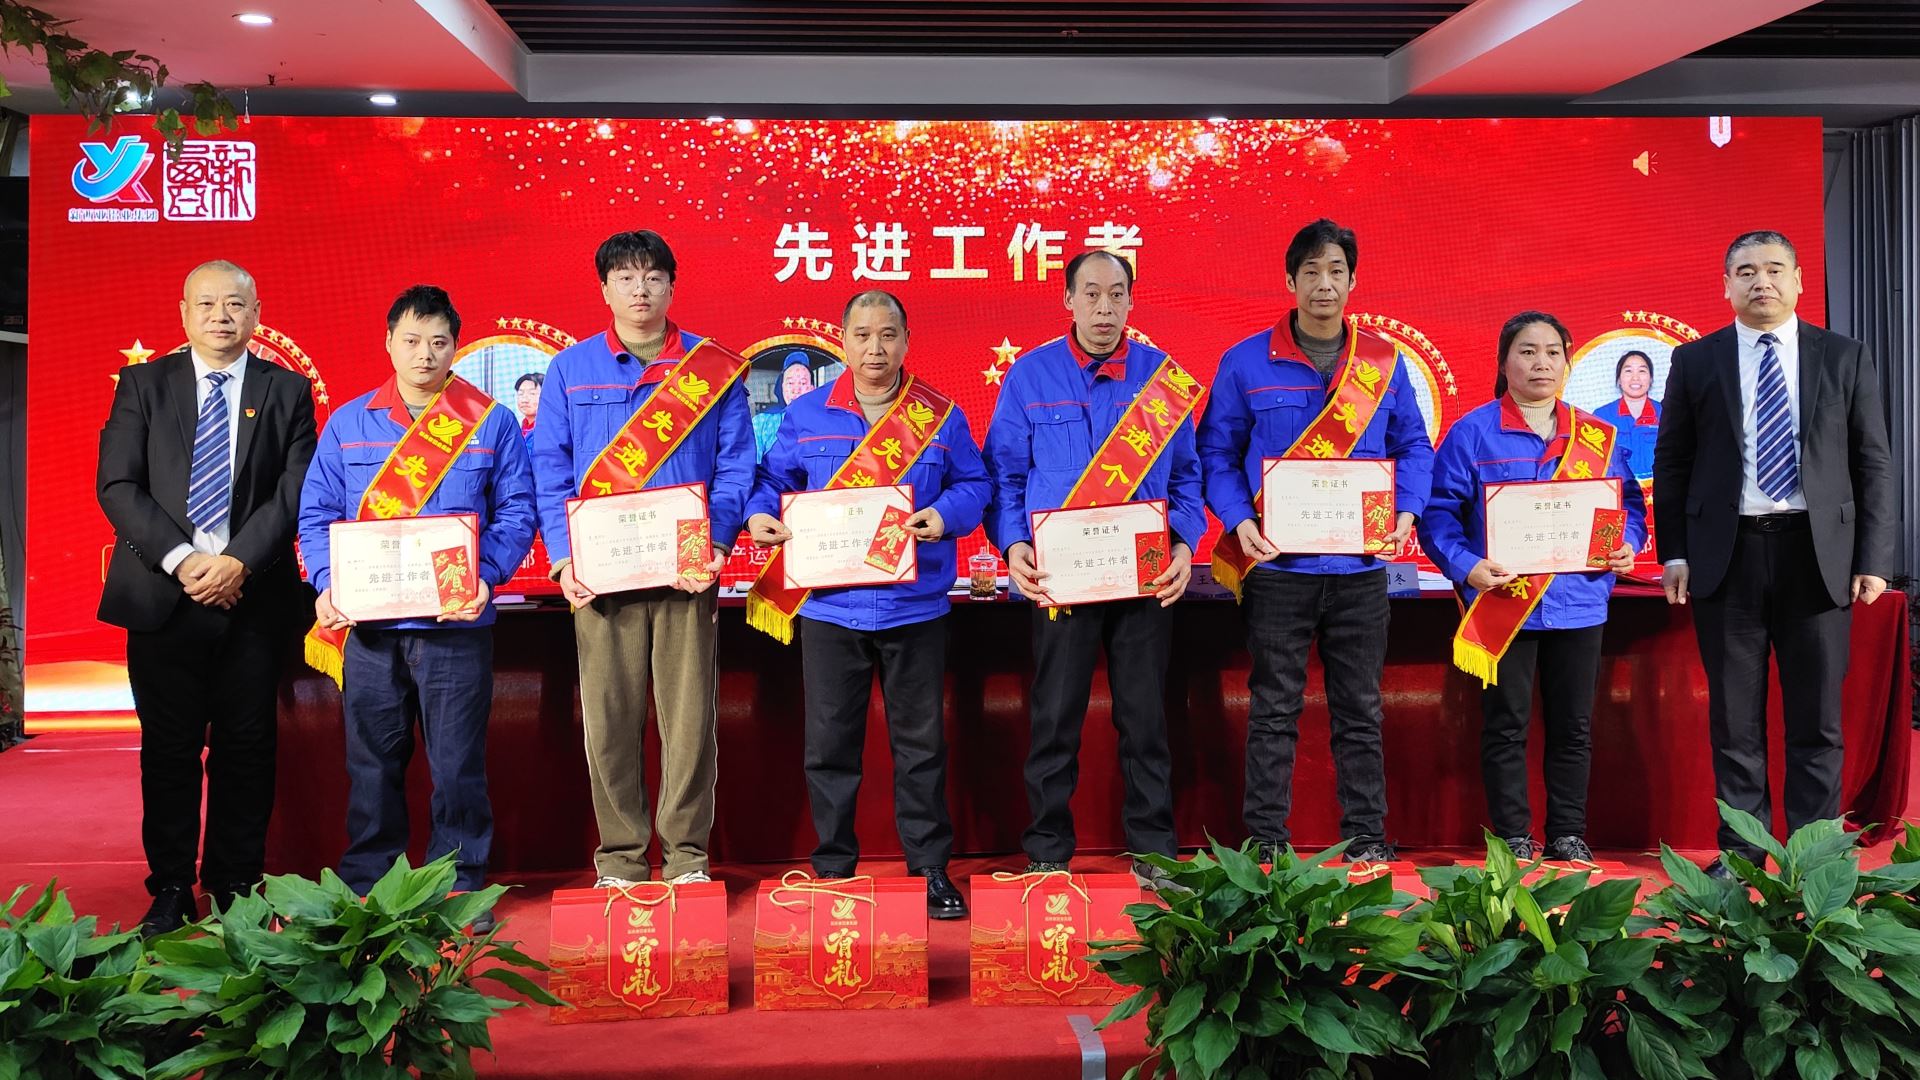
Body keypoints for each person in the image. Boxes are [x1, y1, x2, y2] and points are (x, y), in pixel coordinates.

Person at [744, 290, 991, 919]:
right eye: (862, 335)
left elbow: (975, 483)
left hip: (915, 607)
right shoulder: (806, 414)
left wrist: (947, 514)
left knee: (921, 747)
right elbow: (771, 480)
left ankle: (930, 868)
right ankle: (833, 869)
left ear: (906, 341)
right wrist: (758, 515)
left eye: (887, 335)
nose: (875, 348)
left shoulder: (939, 415)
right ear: (844, 342)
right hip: (831, 608)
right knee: (830, 746)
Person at [1654, 230, 1894, 875]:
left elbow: (1872, 460)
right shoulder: (1695, 360)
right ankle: (1742, 853)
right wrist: (1674, 552)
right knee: (1735, 720)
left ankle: (1813, 859)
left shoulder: (1843, 356)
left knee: (1817, 719)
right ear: (1725, 285)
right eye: (1746, 271)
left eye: (1774, 269)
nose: (1761, 281)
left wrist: (1872, 556)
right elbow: (1672, 462)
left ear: (1798, 281)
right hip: (1725, 555)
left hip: (1817, 556)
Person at [1197, 218, 1433, 866]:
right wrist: (1237, 519)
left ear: (1353, 280)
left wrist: (1408, 510)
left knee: (1361, 711)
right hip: (1279, 568)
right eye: (1311, 272)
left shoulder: (1383, 363)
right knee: (1273, 710)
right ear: (1290, 280)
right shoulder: (1246, 361)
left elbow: (1415, 446)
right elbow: (1216, 453)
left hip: (1360, 570)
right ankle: (1266, 848)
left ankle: (1367, 843)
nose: (1324, 284)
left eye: (1335, 271)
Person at [298, 286, 536, 915]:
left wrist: (487, 574)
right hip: (371, 630)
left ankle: (457, 885)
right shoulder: (349, 423)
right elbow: (317, 512)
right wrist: (328, 581)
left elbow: (517, 511)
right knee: (371, 763)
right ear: (388, 343)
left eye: (438, 342)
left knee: (457, 765)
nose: (425, 354)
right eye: (411, 340)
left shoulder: (489, 422)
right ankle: (368, 887)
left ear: (456, 346)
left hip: (454, 627)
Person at [97, 260, 317, 934]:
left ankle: (235, 884)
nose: (222, 316)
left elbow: (294, 489)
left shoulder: (287, 390)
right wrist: (186, 559)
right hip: (163, 597)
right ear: (184, 313)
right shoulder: (144, 384)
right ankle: (170, 887)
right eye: (208, 304)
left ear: (256, 314)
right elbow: (119, 485)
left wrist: (236, 562)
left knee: (247, 748)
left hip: (251, 599)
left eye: (236, 305)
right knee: (169, 750)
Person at [531, 229, 754, 888]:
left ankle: (686, 857)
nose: (640, 289)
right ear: (604, 289)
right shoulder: (570, 369)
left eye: (653, 276)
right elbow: (550, 469)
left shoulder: (713, 368)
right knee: (608, 721)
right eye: (625, 277)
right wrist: (564, 559)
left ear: (671, 286)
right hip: (600, 578)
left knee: (690, 723)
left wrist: (718, 544)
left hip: (687, 572)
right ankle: (623, 858)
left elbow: (736, 464)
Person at [982, 249, 1203, 891]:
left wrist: (1184, 546)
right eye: (1091, 294)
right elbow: (1005, 477)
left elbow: (1187, 481)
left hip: (1144, 577)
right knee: (1054, 718)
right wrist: (1013, 546)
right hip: (1060, 577)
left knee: (1145, 719)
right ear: (1068, 300)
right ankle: (1048, 851)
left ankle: (1155, 854)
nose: (1104, 308)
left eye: (1116, 295)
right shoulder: (1030, 376)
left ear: (1131, 301)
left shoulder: (1162, 380)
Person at [1419, 312, 1644, 863]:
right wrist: (1466, 565)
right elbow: (1438, 515)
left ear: (1567, 363)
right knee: (1506, 726)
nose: (1541, 362)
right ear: (1504, 362)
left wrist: (1625, 544)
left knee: (1574, 727)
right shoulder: (1472, 432)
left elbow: (1629, 506)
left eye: (1552, 352)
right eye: (1526, 351)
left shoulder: (1598, 436)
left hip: (1579, 602)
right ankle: (1513, 836)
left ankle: (1567, 832)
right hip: (1505, 603)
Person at [1603, 350, 1661, 484]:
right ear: (1619, 379)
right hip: (1619, 492)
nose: (1635, 378)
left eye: (1642, 371)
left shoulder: (1666, 413)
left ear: (1651, 379)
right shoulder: (1602, 416)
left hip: (1659, 491)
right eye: (1628, 371)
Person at [752, 351, 815, 459]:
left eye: (803, 383)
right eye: (790, 383)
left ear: (812, 388)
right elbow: (748, 463)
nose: (796, 390)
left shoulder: (822, 423)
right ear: (782, 387)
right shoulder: (761, 422)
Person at [514, 371, 543, 439]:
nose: (524, 400)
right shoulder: (517, 430)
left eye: (532, 393)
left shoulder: (548, 430)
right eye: (520, 394)